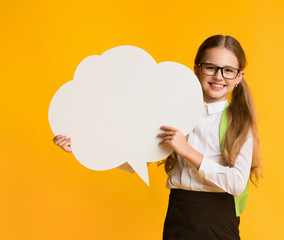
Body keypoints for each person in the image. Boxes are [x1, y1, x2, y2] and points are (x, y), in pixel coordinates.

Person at [53, 34, 263, 240]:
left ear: (238, 77)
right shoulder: (171, 113)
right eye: (211, 68)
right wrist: (83, 146)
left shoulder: (239, 122)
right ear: (197, 70)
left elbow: (236, 183)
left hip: (218, 218)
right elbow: (138, 156)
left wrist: (187, 151)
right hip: (179, 213)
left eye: (228, 71)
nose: (218, 76)